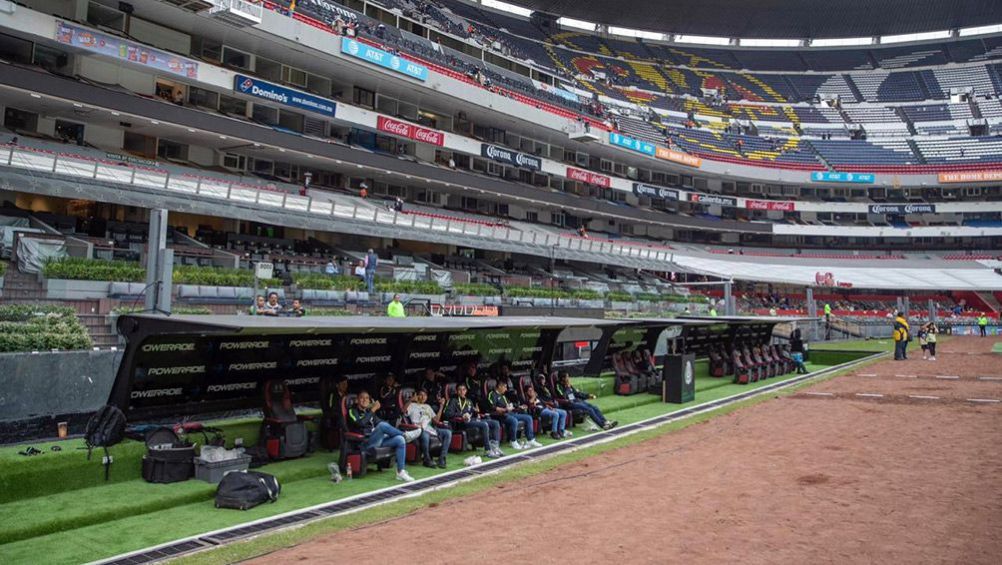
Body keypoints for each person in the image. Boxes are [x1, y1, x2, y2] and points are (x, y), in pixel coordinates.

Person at [346, 391, 416, 482]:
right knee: (383, 426)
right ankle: (405, 434)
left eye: (367, 398)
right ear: (357, 400)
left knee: (400, 440)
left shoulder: (369, 412)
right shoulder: (352, 411)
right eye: (362, 398)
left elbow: (381, 422)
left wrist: (391, 425)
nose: (365, 400)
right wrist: (372, 410)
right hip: (364, 443)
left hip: (377, 440)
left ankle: (400, 472)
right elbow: (361, 424)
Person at [444, 383, 503, 458]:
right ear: (456, 391)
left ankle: (495, 448)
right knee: (484, 424)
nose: (462, 392)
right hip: (462, 422)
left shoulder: (469, 401)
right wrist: (461, 415)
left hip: (472, 420)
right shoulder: (453, 401)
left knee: (495, 423)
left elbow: (473, 413)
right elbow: (447, 413)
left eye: (463, 390)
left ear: (466, 391)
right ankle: (487, 450)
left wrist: (476, 411)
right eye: (459, 390)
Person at [405, 389, 452, 468]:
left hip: (431, 428)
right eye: (421, 395)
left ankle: (442, 458)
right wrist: (410, 400)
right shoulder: (412, 405)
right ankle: (427, 459)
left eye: (425, 395)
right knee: (425, 435)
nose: (423, 397)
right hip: (419, 429)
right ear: (417, 395)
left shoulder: (428, 407)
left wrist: (441, 406)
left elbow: (436, 420)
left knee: (448, 432)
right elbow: (403, 411)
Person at [489, 381, 540, 450]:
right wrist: (505, 409)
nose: (506, 389)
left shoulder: (503, 396)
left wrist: (519, 407)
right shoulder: (492, 394)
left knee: (528, 418)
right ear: (499, 386)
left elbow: (510, 404)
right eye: (505, 387)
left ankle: (530, 440)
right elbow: (492, 407)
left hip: (510, 413)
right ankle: (513, 441)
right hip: (500, 415)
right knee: (514, 421)